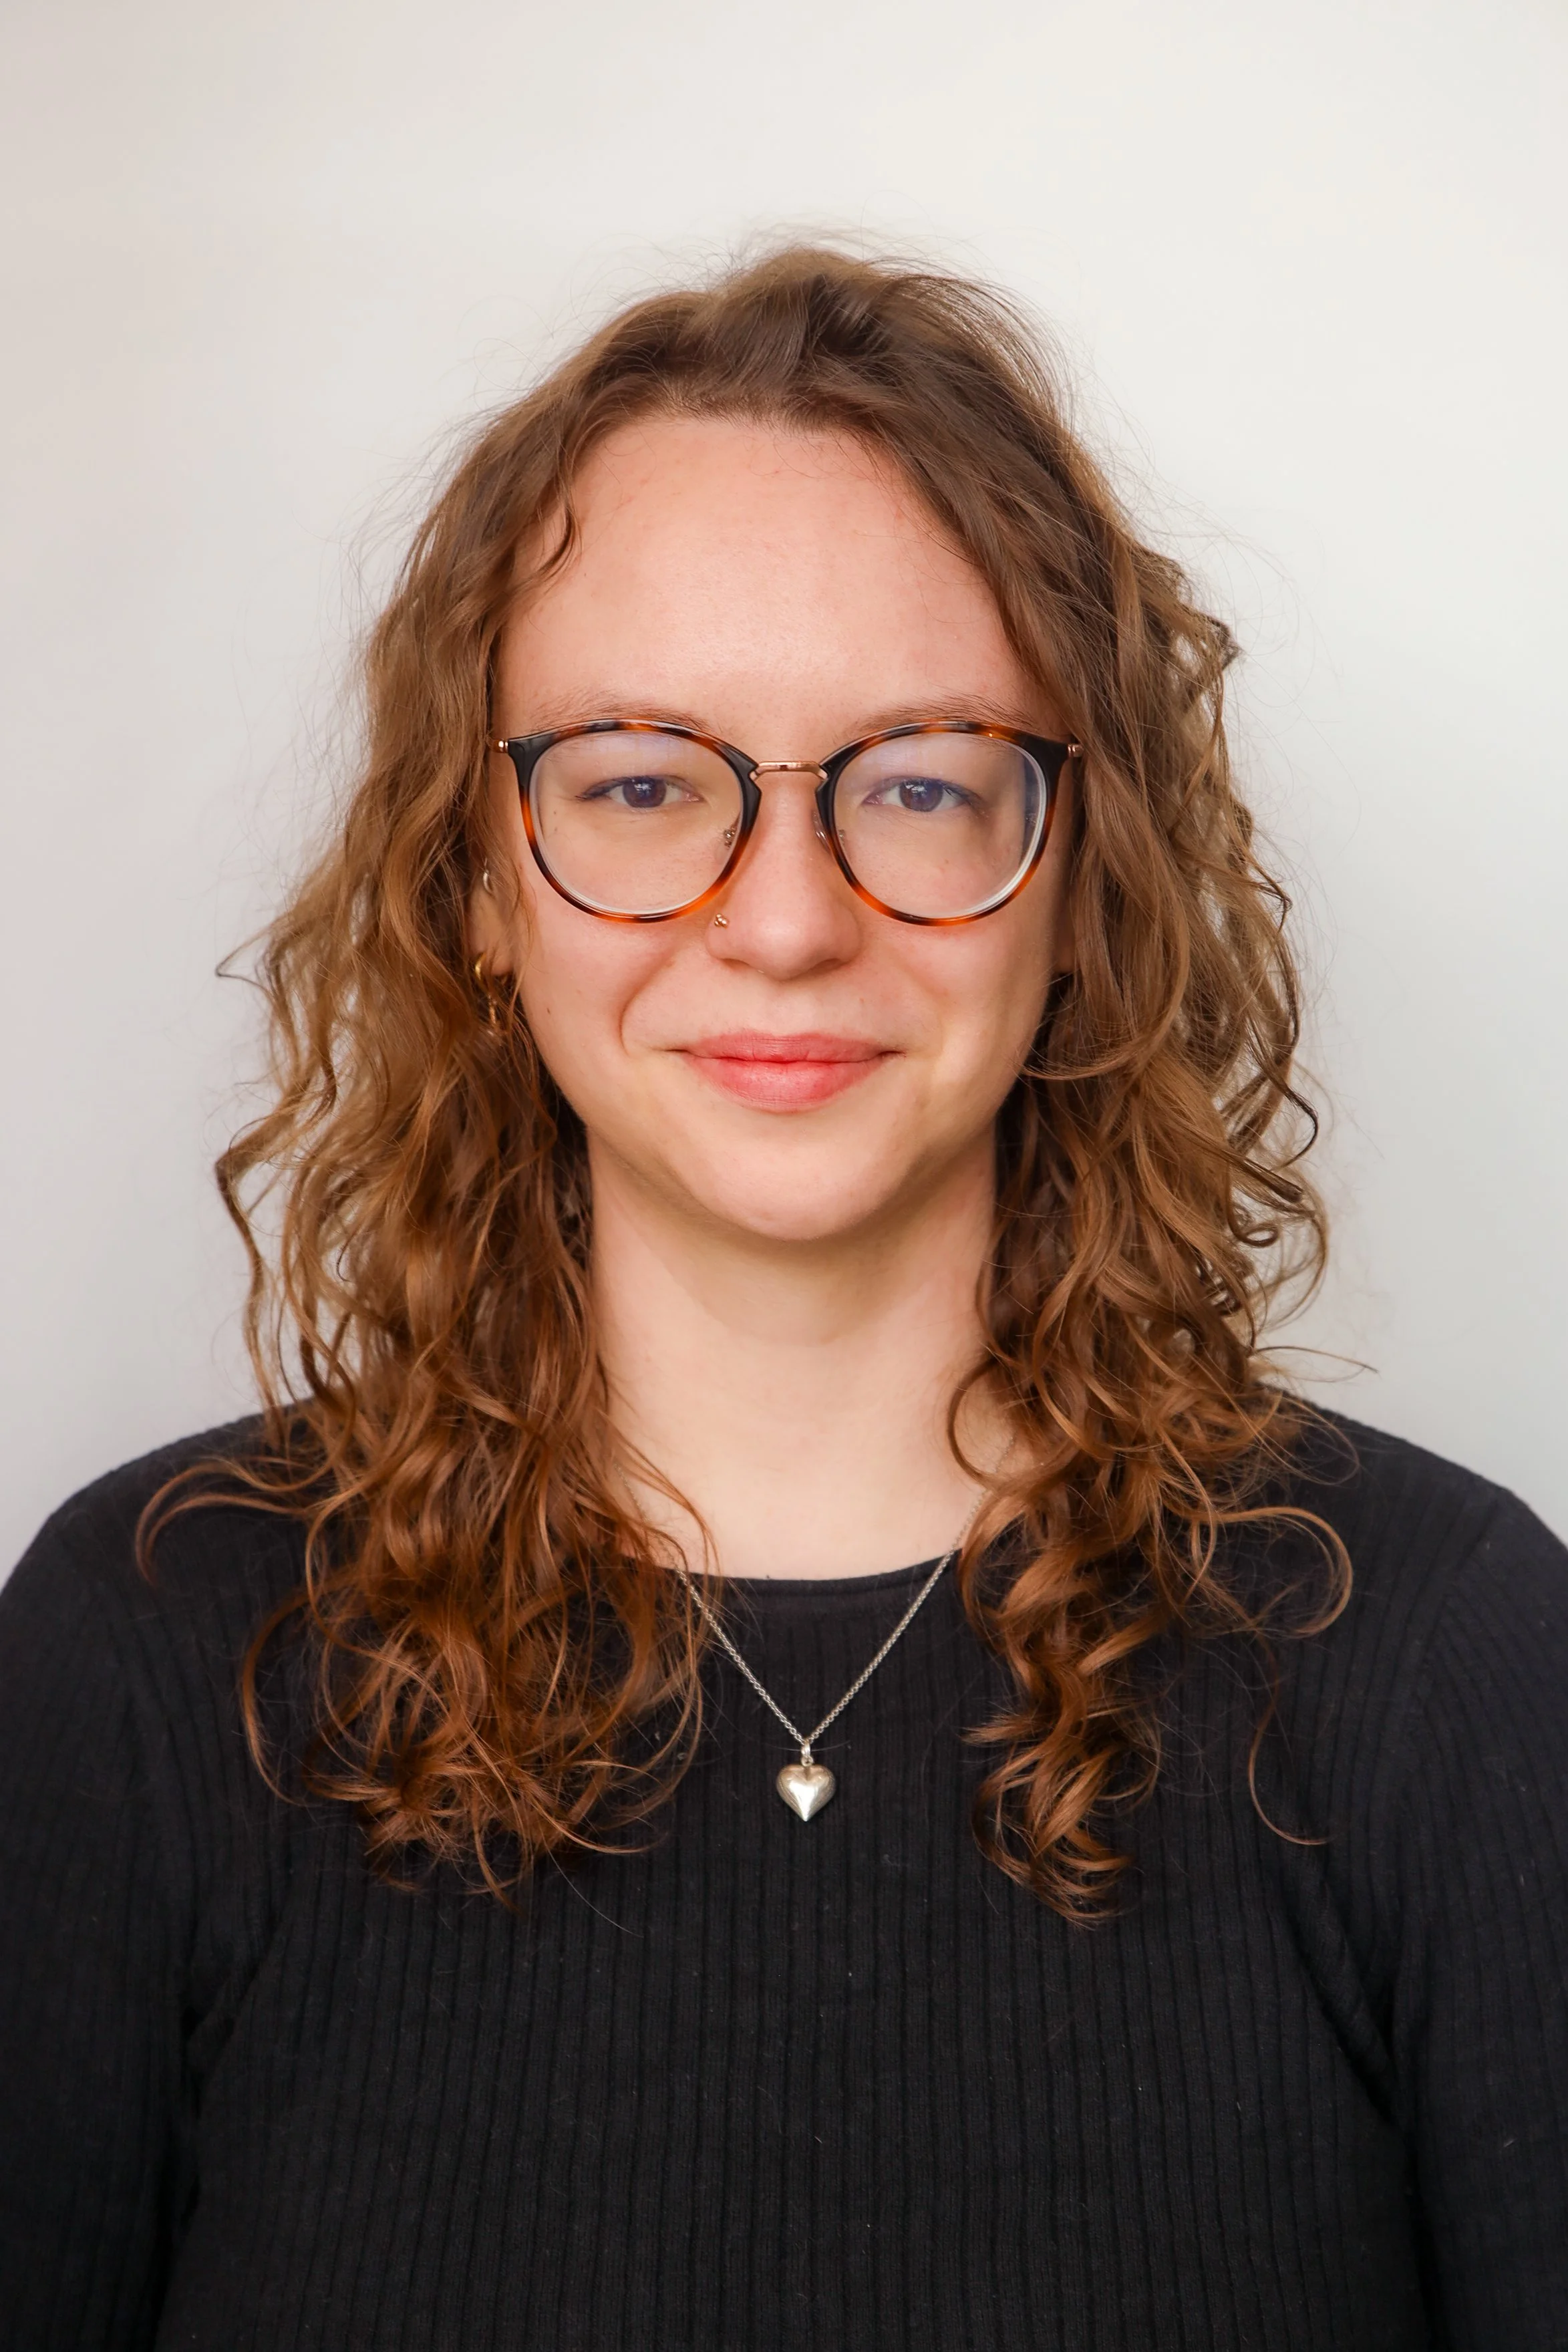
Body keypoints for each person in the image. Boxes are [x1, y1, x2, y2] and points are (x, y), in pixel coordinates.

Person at [1, 245, 1563, 2352]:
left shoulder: (1448, 1662)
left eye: (919, 778)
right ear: (471, 875)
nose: (790, 921)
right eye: (644, 782)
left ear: (1079, 877)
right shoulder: (145, 1657)